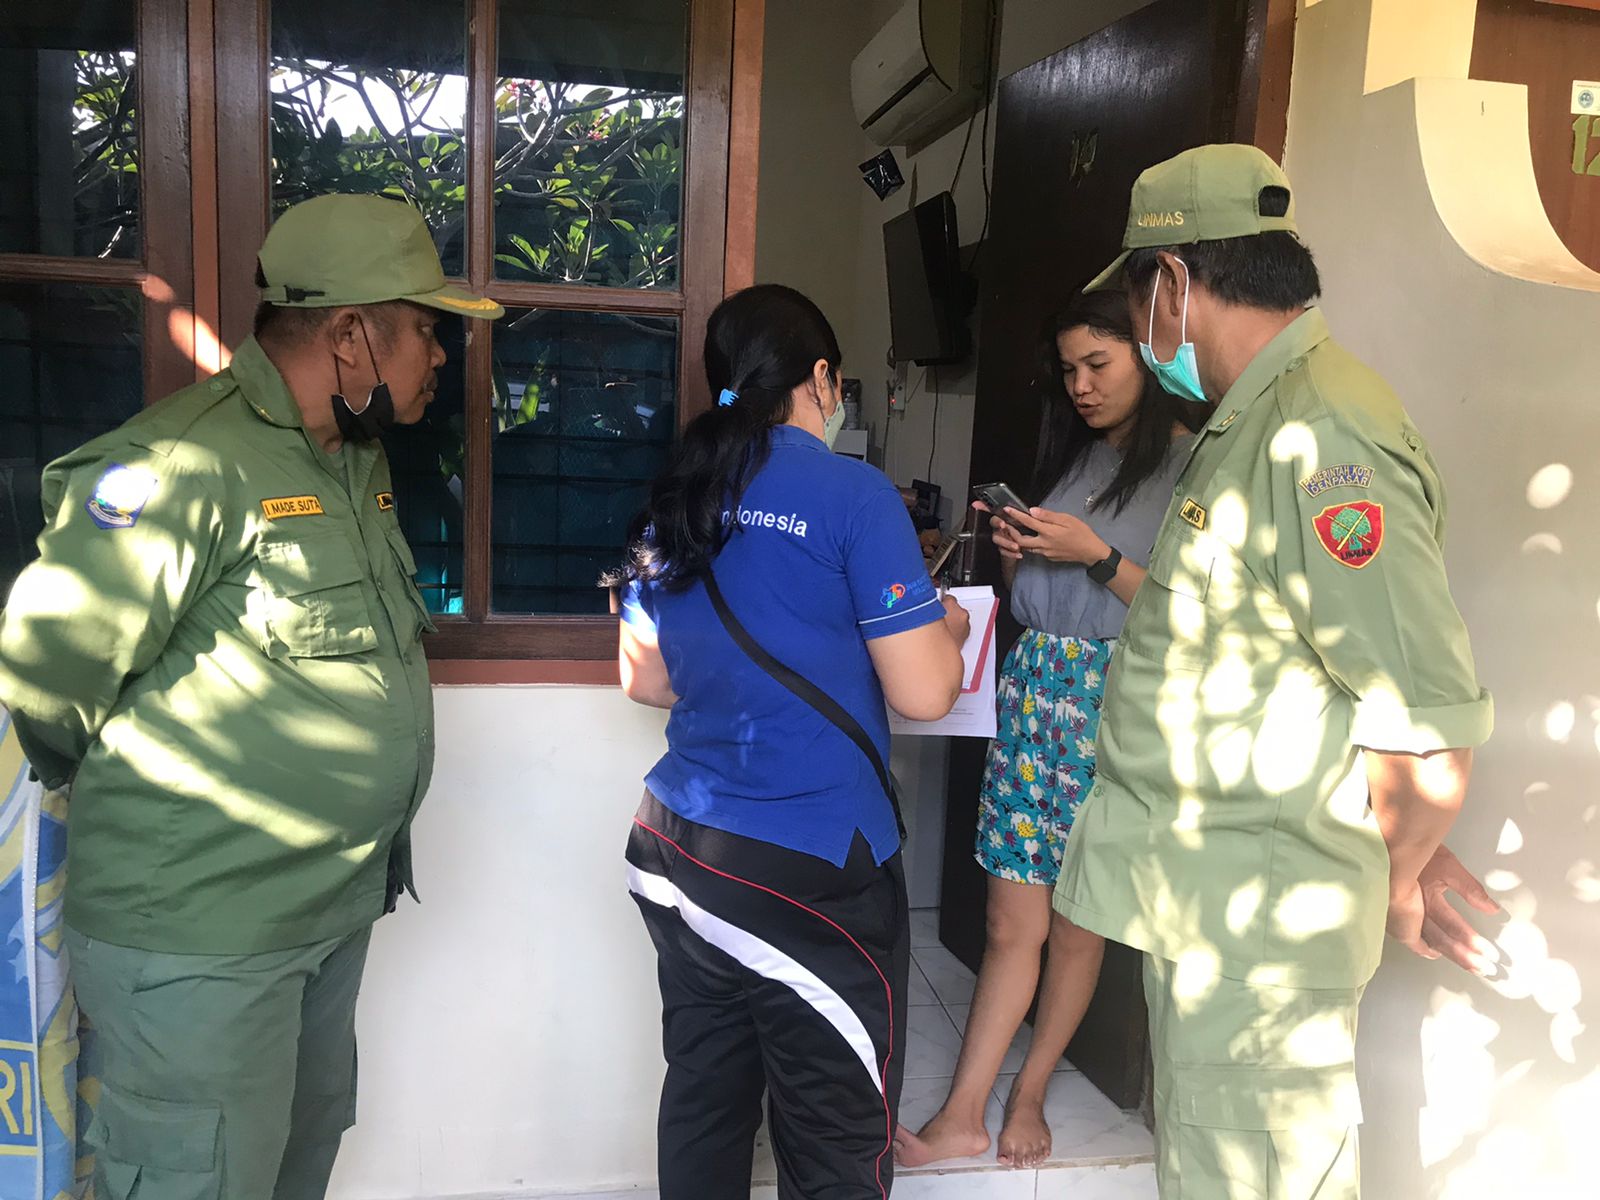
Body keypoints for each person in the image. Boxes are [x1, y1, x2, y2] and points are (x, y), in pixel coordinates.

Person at [0, 194, 503, 1200]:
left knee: (293, 1163)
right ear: (351, 335)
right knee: (198, 1179)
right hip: (202, 933)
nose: (440, 355)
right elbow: (50, 674)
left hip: (325, 909)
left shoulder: (351, 459)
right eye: (424, 328)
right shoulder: (178, 464)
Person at [1051, 144, 1500, 1199]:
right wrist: (1407, 851)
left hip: (1262, 934)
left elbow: (1424, 721)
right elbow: (1298, 668)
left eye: (1136, 303)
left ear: (1171, 282)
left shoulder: (1321, 434)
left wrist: (1392, 877)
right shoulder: (1253, 420)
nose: (1141, 335)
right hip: (1215, 909)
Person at [616, 284, 971, 1200]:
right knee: (833, 1146)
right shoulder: (855, 496)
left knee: (705, 1105)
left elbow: (646, 680)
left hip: (677, 849)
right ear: (821, 378)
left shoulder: (679, 494)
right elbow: (926, 691)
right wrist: (948, 629)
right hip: (809, 873)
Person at [895, 290, 1204, 1170]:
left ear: (1148, 358)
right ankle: (964, 1111)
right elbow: (1043, 596)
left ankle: (1029, 1089)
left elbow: (1198, 613)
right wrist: (1019, 559)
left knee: (1078, 922)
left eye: (1098, 364)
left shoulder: (1193, 466)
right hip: (1037, 694)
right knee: (1009, 921)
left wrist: (1095, 556)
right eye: (1068, 370)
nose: (1081, 386)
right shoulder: (1075, 457)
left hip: (1117, 703)